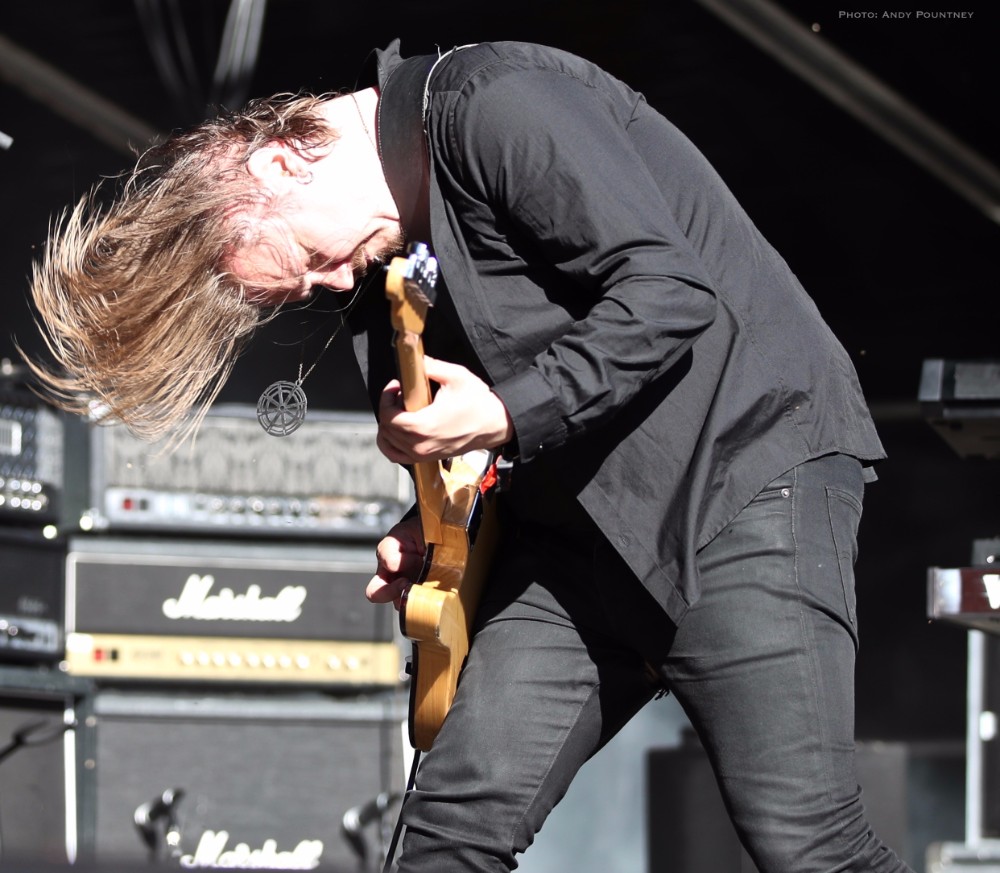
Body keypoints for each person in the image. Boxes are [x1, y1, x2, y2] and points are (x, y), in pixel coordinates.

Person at [25, 38, 911, 873]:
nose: (330, 282)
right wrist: (435, 518)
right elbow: (501, 423)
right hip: (571, 538)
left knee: (808, 842)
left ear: (281, 163)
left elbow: (669, 293)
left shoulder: (497, 103)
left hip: (738, 477)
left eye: (306, 260)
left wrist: (501, 411)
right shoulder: (388, 261)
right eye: (304, 286)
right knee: (447, 836)